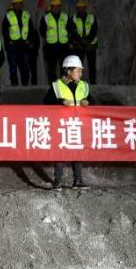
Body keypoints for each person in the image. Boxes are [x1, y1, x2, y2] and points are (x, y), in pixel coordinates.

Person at [44, 55, 92, 190]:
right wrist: (60, 102)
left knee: (78, 151)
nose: (80, 74)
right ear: (68, 71)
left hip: (77, 125)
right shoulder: (56, 86)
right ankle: (58, 181)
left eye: (81, 71)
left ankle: (78, 180)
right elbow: (46, 102)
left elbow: (92, 100)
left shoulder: (84, 86)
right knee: (60, 153)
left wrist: (87, 101)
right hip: (61, 125)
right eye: (78, 71)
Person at [2, 0, 33, 86]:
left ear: (22, 5)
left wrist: (30, 40)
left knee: (25, 65)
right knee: (13, 65)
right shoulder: (8, 15)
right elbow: (5, 30)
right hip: (13, 45)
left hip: (24, 44)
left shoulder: (26, 14)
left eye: (20, 3)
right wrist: (8, 42)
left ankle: (25, 82)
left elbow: (31, 29)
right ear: (13, 5)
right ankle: (14, 82)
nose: (18, 5)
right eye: (16, 4)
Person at [39, 0, 70, 84]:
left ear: (60, 7)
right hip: (51, 46)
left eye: (57, 6)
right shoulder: (46, 18)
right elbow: (42, 30)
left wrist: (68, 37)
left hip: (63, 46)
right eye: (54, 6)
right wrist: (47, 37)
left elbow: (70, 28)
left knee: (64, 67)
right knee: (51, 67)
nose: (56, 8)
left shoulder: (65, 17)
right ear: (51, 7)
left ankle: (64, 85)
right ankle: (52, 85)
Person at [71, 0, 98, 84]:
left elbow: (94, 31)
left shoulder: (91, 17)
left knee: (92, 65)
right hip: (79, 45)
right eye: (80, 7)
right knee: (77, 65)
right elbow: (73, 31)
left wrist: (87, 41)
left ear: (85, 8)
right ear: (77, 8)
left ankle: (93, 82)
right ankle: (76, 82)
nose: (81, 9)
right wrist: (80, 41)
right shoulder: (73, 18)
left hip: (90, 45)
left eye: (83, 7)